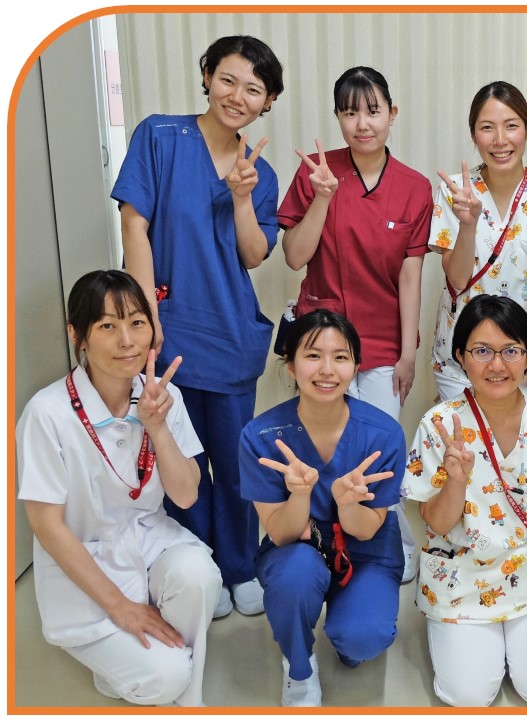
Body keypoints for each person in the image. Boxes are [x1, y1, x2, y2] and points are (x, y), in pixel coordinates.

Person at [111, 35, 285, 617]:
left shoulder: (260, 173)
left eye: (254, 90)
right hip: (166, 330)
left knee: (234, 461)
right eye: (228, 80)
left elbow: (255, 254)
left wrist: (242, 198)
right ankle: (199, 566)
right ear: (207, 75)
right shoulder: (160, 137)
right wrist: (145, 314)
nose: (238, 96)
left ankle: (239, 567)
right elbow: (134, 224)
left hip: (229, 332)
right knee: (178, 458)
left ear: (267, 102)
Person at [16, 270, 221, 707]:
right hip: (85, 561)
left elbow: (186, 496)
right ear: (77, 335)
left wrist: (157, 427)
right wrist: (119, 606)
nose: (127, 341)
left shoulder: (162, 397)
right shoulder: (47, 413)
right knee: (164, 679)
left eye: (137, 323)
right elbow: (47, 526)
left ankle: (190, 697)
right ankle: (143, 670)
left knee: (200, 576)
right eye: (107, 326)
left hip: (148, 542)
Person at [402, 295, 527, 707]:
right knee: (468, 697)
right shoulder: (440, 425)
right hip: (461, 578)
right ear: (460, 356)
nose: (497, 365)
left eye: (511, 351)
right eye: (482, 351)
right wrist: (456, 482)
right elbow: (436, 524)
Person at [278, 66, 430, 583]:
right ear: (338, 118)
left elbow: (411, 276)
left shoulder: (414, 187)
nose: (362, 124)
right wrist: (322, 197)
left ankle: (393, 544)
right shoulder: (317, 175)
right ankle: (326, 541)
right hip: (323, 341)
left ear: (392, 113)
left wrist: (408, 352)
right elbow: (294, 257)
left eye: (373, 111)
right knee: (327, 446)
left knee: (380, 447)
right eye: (349, 113)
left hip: (384, 341)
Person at [239, 310, 405, 707]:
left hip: (365, 550)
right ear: (290, 365)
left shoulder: (384, 434)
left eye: (340, 357)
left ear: (356, 366)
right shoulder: (262, 436)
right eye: (313, 355)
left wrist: (347, 503)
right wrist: (299, 495)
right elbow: (282, 534)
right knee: (294, 577)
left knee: (362, 639)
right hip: (300, 547)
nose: (327, 369)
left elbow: (365, 530)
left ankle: (347, 632)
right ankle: (299, 667)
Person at [430, 81, 527, 400]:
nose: (500, 140)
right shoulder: (455, 192)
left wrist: (521, 359)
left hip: (522, 355)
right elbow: (457, 279)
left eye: (511, 126)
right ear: (474, 134)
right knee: (464, 434)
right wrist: (468, 225)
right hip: (460, 358)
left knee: (515, 434)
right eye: (487, 127)